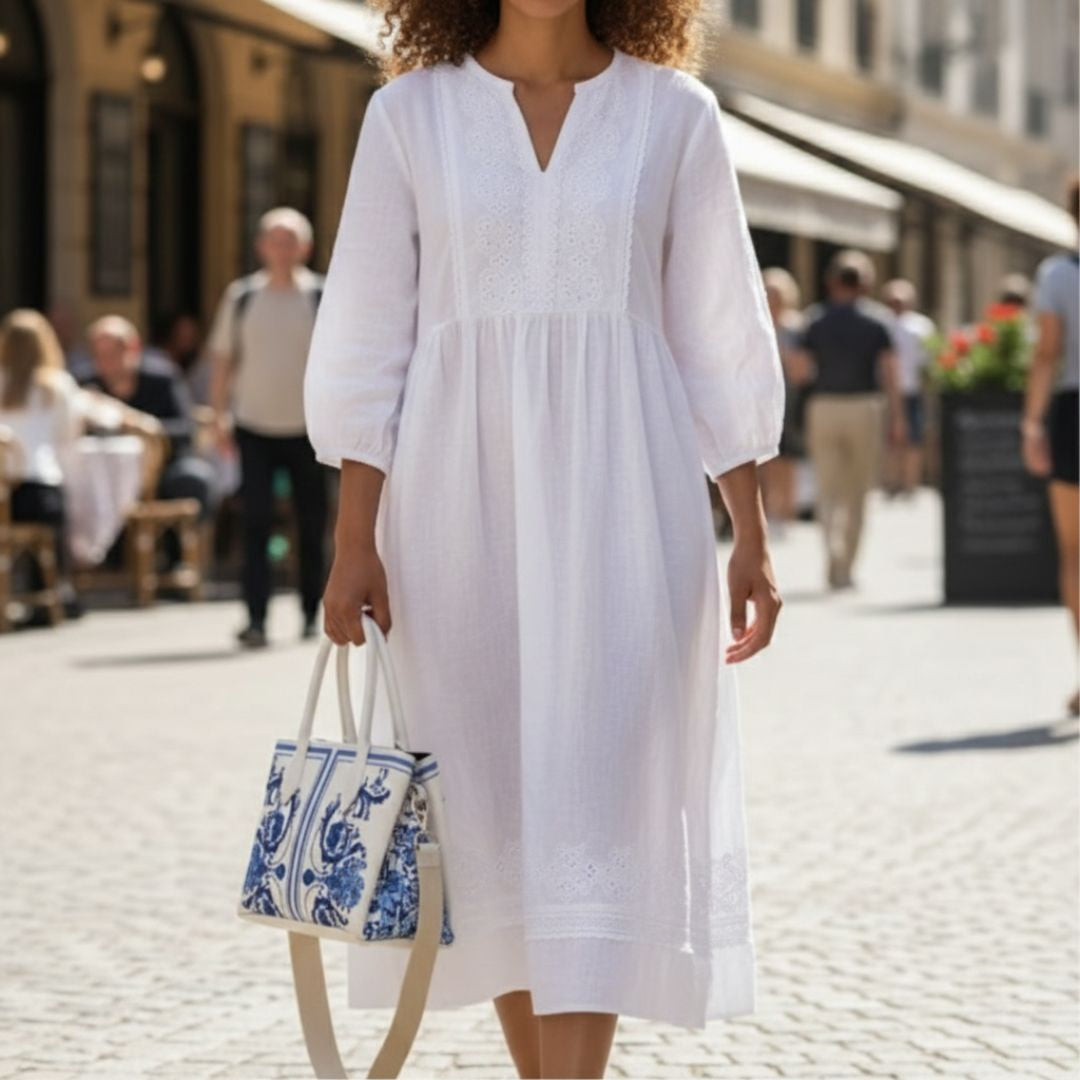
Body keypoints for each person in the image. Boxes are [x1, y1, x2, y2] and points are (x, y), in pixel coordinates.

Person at [304, 4, 785, 1077]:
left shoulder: (676, 117)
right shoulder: (408, 117)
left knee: (600, 812)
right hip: (451, 517)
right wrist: (353, 537)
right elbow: (369, 332)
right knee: (493, 821)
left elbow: (719, 330)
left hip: (631, 506)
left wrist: (748, 533)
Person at [207, 207, 328, 648]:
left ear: (306, 248)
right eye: (275, 240)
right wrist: (218, 414)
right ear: (260, 247)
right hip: (253, 425)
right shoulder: (241, 297)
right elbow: (223, 359)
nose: (282, 248)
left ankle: (312, 611)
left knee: (312, 523)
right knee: (255, 522)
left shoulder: (323, 296)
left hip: (310, 429)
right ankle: (255, 617)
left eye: (290, 240)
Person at [797, 250, 905, 590]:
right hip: (864, 406)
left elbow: (800, 371)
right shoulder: (878, 323)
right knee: (857, 491)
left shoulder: (813, 321)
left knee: (826, 488)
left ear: (831, 283)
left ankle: (832, 555)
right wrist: (898, 417)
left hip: (824, 405)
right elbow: (891, 374)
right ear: (866, 285)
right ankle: (846, 568)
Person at [1022, 176, 1080, 719]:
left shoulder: (1059, 275)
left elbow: (1048, 353)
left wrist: (1032, 423)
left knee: (1074, 552)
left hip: (1073, 413)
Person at [82, 315, 215, 521]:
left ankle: (181, 551)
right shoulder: (86, 386)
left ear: (133, 349)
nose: (105, 363)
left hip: (163, 470)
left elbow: (186, 430)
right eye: (98, 356)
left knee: (193, 479)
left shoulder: (163, 379)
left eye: (112, 354)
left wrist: (140, 427)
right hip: (106, 476)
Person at [0, 309, 85, 618]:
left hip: (5, 489)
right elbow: (68, 436)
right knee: (55, 520)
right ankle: (55, 592)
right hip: (39, 487)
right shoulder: (57, 386)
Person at [760, 267, 811, 529]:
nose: (772, 299)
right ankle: (767, 511)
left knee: (787, 455)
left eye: (777, 294)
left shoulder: (796, 328)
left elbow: (801, 371)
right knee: (764, 456)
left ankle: (788, 511)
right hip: (760, 397)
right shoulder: (753, 324)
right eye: (768, 293)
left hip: (789, 399)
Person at [881, 279, 936, 496]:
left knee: (914, 438)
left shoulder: (921, 327)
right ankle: (891, 481)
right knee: (890, 440)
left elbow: (929, 360)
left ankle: (910, 482)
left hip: (912, 390)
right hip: (885, 392)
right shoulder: (882, 323)